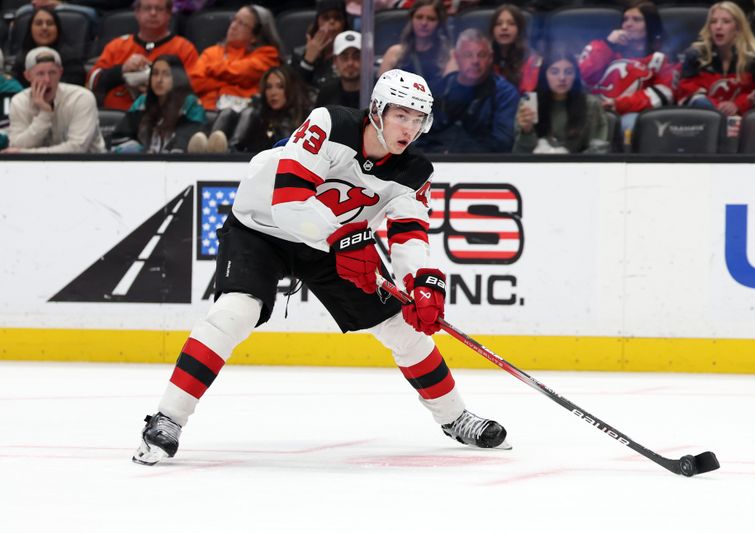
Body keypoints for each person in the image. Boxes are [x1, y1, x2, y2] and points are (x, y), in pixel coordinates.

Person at [131, 69, 510, 466]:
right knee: (233, 313)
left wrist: (422, 284)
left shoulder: (414, 172)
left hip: (333, 242)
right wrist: (344, 240)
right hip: (261, 228)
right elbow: (290, 200)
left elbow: (409, 233)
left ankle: (455, 417)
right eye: (401, 115)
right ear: (377, 111)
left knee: (401, 326)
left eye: (418, 119)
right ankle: (167, 418)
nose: (410, 129)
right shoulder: (329, 124)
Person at [579, 1, 676, 137]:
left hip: (630, 113)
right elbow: (581, 75)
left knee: (629, 123)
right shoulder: (600, 47)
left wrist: (618, 104)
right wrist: (608, 45)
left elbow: (663, 94)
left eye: (636, 20)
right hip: (594, 108)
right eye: (625, 19)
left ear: (650, 26)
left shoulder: (659, 59)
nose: (628, 24)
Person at [417, 29, 520, 154]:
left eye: (481, 55)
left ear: (490, 58)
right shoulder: (436, 90)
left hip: (481, 164)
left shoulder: (504, 93)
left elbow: (502, 143)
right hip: (436, 162)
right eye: (468, 55)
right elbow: (418, 138)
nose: (475, 61)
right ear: (456, 57)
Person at [87, 0, 198, 111]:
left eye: (159, 9)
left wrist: (157, 83)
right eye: (147, 8)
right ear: (137, 12)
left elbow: (194, 87)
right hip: (116, 116)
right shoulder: (117, 46)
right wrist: (122, 70)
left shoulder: (184, 48)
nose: (153, 13)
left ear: (169, 14)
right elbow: (92, 81)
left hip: (165, 116)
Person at [676, 1, 755, 117]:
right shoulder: (695, 56)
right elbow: (684, 93)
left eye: (726, 22)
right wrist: (717, 106)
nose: (718, 27)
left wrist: (738, 105)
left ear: (738, 29)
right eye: (713, 22)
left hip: (745, 122)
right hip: (706, 121)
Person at [3, 47, 105, 153]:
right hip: (36, 168)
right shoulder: (19, 101)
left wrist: (25, 153)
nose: (47, 80)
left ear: (60, 73)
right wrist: (45, 115)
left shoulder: (81, 98)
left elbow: (78, 148)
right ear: (28, 76)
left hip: (88, 166)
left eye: (52, 73)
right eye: (40, 73)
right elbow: (16, 144)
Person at [189, 4, 282, 112]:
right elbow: (196, 83)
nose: (233, 26)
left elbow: (243, 72)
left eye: (241, 24)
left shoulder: (268, 55)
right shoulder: (211, 52)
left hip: (243, 115)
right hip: (206, 112)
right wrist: (232, 84)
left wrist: (212, 72)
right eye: (234, 20)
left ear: (255, 37)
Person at [513, 52, 609, 155]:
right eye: (554, 72)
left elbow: (599, 151)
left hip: (579, 168)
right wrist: (527, 131)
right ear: (544, 75)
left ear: (575, 76)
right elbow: (519, 155)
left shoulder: (591, 104)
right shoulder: (530, 104)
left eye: (568, 72)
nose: (562, 78)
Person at [110, 54, 206, 153]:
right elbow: (119, 138)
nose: (159, 80)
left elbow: (191, 139)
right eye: (155, 74)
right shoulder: (142, 102)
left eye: (166, 74)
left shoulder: (190, 104)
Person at [378, 0, 455, 91]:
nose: (424, 23)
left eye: (431, 19)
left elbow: (447, 94)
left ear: (440, 23)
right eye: (419, 17)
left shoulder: (449, 56)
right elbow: (380, 91)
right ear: (411, 19)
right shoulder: (394, 52)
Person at [12, 7, 86, 88]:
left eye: (50, 23)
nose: (44, 28)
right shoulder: (21, 59)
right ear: (30, 28)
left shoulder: (71, 60)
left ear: (57, 28)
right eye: (39, 23)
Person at [288, 0, 349, 96]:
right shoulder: (299, 54)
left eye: (337, 17)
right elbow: (292, 93)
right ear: (318, 22)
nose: (332, 22)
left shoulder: (351, 54)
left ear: (344, 23)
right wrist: (307, 61)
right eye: (326, 17)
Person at [490, 3, 542, 94]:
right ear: (492, 30)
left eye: (511, 24)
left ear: (520, 29)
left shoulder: (531, 60)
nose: (504, 27)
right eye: (498, 24)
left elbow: (527, 94)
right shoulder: (485, 58)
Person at [316, 30, 361, 108]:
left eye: (356, 56)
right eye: (344, 57)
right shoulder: (326, 93)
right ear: (335, 61)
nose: (350, 62)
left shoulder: (376, 94)